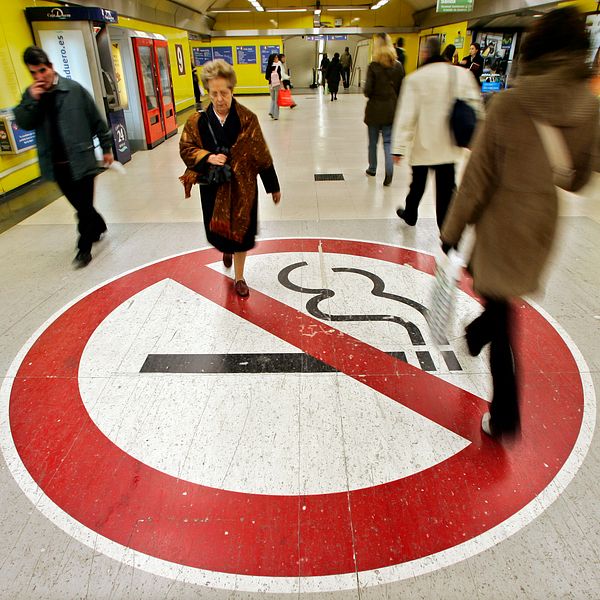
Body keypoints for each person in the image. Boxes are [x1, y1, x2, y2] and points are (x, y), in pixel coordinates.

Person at [440, 7, 600, 439]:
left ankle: (506, 414)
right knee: (502, 303)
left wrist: (452, 229)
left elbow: (478, 178)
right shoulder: (591, 108)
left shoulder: (510, 104)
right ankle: (476, 335)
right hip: (541, 226)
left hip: (501, 223)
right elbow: (581, 178)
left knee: (503, 317)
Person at [179, 60, 281, 298]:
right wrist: (206, 157)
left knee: (242, 235)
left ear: (232, 90)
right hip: (214, 188)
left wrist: (272, 186)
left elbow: (261, 153)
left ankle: (240, 276)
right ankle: (227, 249)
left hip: (243, 188)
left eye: (224, 92)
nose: (219, 99)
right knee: (221, 235)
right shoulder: (198, 121)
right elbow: (186, 147)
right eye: (213, 93)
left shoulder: (247, 119)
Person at [13, 46, 113, 268]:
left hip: (82, 160)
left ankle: (83, 249)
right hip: (57, 166)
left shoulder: (74, 90)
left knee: (84, 207)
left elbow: (97, 121)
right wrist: (31, 100)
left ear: (51, 67)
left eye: (42, 71)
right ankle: (98, 226)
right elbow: (24, 122)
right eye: (34, 73)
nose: (39, 77)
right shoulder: (32, 97)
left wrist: (106, 148)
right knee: (81, 206)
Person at [392, 36, 481, 229]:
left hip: (423, 145)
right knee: (446, 190)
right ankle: (447, 231)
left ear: (425, 53)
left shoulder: (415, 79)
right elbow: (476, 106)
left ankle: (410, 214)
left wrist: (398, 148)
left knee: (417, 184)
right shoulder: (461, 74)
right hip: (449, 146)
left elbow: (406, 116)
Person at [364, 33, 405, 186]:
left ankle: (372, 168)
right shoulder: (398, 66)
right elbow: (401, 89)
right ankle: (389, 171)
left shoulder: (373, 66)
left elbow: (367, 90)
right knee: (388, 142)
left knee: (372, 142)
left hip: (374, 109)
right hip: (391, 109)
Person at [265, 53, 282, 120]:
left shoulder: (269, 66)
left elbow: (266, 77)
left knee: (273, 99)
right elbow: (280, 76)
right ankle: (276, 115)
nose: (277, 59)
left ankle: (271, 112)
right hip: (277, 84)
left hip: (270, 85)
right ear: (273, 59)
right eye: (276, 58)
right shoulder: (278, 66)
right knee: (277, 100)